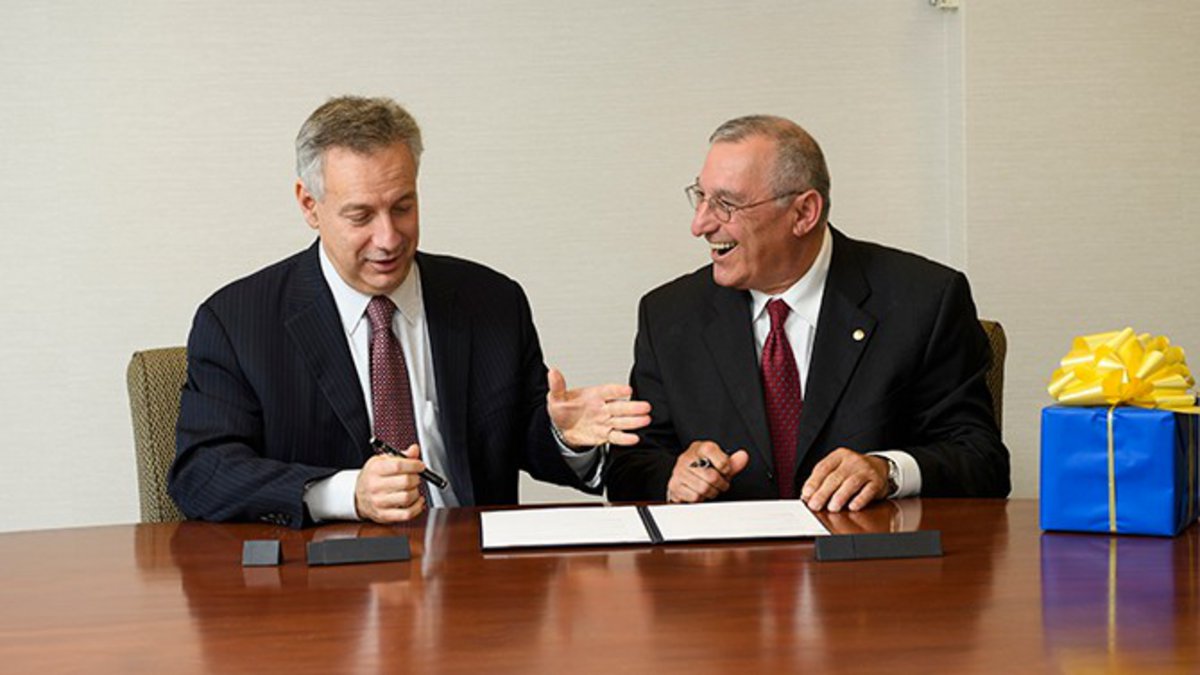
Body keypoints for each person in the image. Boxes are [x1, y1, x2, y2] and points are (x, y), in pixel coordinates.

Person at [168, 96, 650, 527]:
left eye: (403, 207)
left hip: (472, 580)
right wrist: (346, 494)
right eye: (361, 216)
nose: (389, 238)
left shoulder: (491, 301)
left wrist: (565, 437)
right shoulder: (237, 321)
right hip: (326, 588)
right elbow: (202, 473)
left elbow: (526, 443)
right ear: (309, 205)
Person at [605, 115, 1009, 511]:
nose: (701, 224)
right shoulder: (670, 316)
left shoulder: (924, 300)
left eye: (726, 204)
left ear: (803, 213)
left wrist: (887, 471)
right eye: (702, 197)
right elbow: (628, 467)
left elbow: (981, 460)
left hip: (870, 568)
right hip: (728, 570)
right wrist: (673, 476)